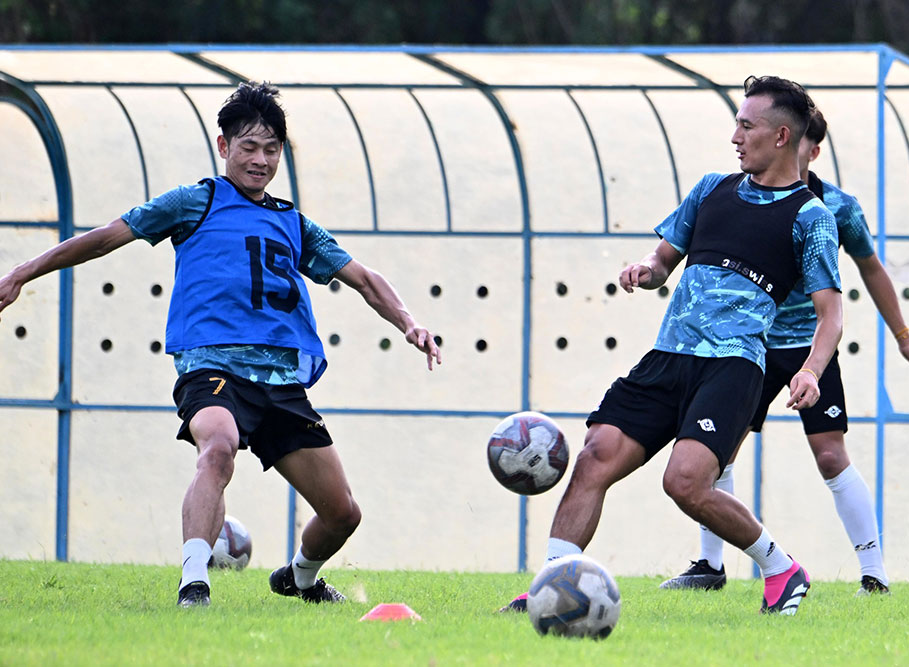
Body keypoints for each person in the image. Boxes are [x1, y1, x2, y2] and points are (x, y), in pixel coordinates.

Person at [0, 82, 442, 608]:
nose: (260, 159)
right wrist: (24, 272)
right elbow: (104, 237)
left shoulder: (293, 223)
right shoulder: (195, 202)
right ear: (224, 145)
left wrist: (409, 323)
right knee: (218, 447)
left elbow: (365, 278)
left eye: (271, 148)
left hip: (280, 382)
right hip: (212, 367)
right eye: (249, 146)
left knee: (344, 514)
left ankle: (299, 579)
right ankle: (194, 583)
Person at [503, 75, 841, 616]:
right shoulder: (710, 189)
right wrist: (647, 269)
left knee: (684, 483)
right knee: (594, 457)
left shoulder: (811, 217)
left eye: (745, 125)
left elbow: (831, 314)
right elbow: (664, 261)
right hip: (668, 356)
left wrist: (811, 371)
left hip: (733, 367)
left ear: (780, 137)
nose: (735, 135)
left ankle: (782, 570)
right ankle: (551, 587)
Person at [659, 108, 909, 597]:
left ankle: (875, 575)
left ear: (810, 147)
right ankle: (709, 564)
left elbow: (871, 270)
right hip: (748, 348)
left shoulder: (834, 208)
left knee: (830, 456)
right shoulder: (739, 194)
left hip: (809, 347)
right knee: (715, 454)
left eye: (807, 143)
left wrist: (905, 338)